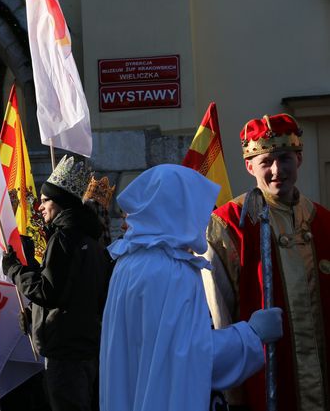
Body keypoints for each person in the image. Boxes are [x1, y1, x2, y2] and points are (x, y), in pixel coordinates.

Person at [101, 164, 282, 411]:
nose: (205, 219)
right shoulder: (173, 270)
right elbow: (190, 358)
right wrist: (251, 335)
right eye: (198, 210)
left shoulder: (129, 262)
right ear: (178, 210)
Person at [204, 113, 330, 411]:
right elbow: (218, 315)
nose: (277, 170)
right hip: (263, 384)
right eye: (266, 161)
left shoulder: (323, 221)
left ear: (299, 159)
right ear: (249, 166)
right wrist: (232, 393)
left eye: (285, 158)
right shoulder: (228, 226)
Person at [2, 155, 110, 411]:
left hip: (65, 354)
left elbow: (48, 291)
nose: (39, 207)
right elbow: (75, 295)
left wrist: (14, 270)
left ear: (60, 202)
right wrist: (34, 314)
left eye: (45, 200)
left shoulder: (64, 239)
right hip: (85, 349)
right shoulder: (93, 242)